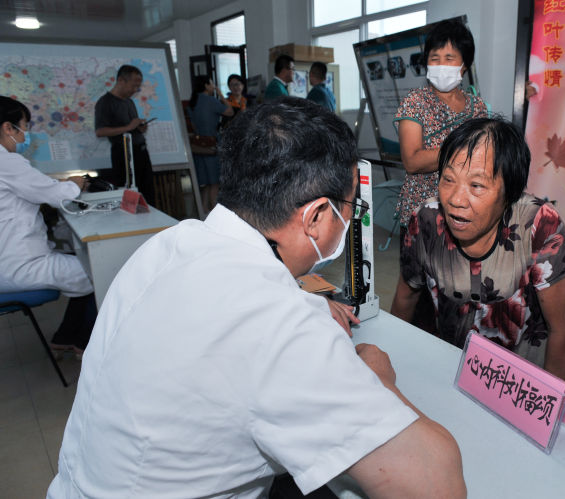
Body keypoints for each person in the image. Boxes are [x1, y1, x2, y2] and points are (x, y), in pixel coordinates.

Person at [48, 97, 465, 498]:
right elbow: (434, 484)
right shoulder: (280, 325)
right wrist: (379, 380)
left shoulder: (170, 243)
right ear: (318, 216)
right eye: (349, 208)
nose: (349, 219)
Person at [391, 116, 565, 384]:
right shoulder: (425, 221)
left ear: (510, 192)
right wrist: (392, 361)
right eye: (448, 179)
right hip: (450, 369)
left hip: (525, 382)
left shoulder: (539, 227)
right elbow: (405, 299)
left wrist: (546, 414)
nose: (456, 200)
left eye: (477, 185)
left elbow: (564, 331)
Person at [393, 18, 488, 332]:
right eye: (434, 58)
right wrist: (459, 146)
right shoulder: (415, 102)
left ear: (465, 64)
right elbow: (413, 160)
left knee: (457, 291)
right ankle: (401, 343)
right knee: (415, 291)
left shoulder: (477, 107)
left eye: (450, 58)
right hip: (423, 214)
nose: (441, 65)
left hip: (464, 210)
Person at [0, 96, 96, 357]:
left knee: (84, 265)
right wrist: (75, 183)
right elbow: (56, 196)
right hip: (20, 265)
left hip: (9, 259)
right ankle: (85, 346)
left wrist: (61, 186)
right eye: (23, 127)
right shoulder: (7, 162)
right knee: (102, 273)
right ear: (8, 128)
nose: (25, 135)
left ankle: (65, 337)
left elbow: (35, 188)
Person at [94, 64, 155, 205]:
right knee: (129, 194)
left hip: (140, 152)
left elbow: (131, 127)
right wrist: (128, 127)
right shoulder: (105, 102)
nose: (135, 90)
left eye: (137, 87)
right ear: (121, 81)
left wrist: (139, 128)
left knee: (147, 192)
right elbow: (100, 131)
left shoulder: (129, 102)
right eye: (133, 86)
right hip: (123, 154)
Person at [188, 75, 233, 213]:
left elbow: (194, 126)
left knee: (205, 183)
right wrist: (221, 95)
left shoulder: (193, 102)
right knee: (214, 182)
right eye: (212, 83)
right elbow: (230, 112)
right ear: (207, 85)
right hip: (212, 143)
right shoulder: (211, 101)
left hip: (198, 145)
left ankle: (203, 212)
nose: (213, 86)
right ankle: (214, 212)